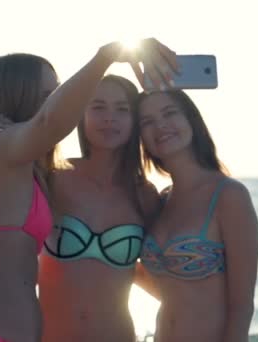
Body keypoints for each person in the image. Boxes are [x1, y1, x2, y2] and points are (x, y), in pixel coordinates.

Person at [0, 39, 176, 342]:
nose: (58, 100)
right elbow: (51, 121)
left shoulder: (16, 169)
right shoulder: (8, 155)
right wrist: (107, 56)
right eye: (51, 93)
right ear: (22, 95)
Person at [38, 74, 160, 342]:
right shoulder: (54, 178)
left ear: (134, 121)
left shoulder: (145, 195)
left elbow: (155, 273)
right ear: (81, 115)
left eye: (122, 109)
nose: (109, 118)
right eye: (98, 107)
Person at [137, 90, 258, 342]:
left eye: (169, 113)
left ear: (191, 120)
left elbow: (241, 307)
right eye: (147, 121)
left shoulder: (229, 196)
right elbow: (173, 289)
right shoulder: (162, 200)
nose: (160, 125)